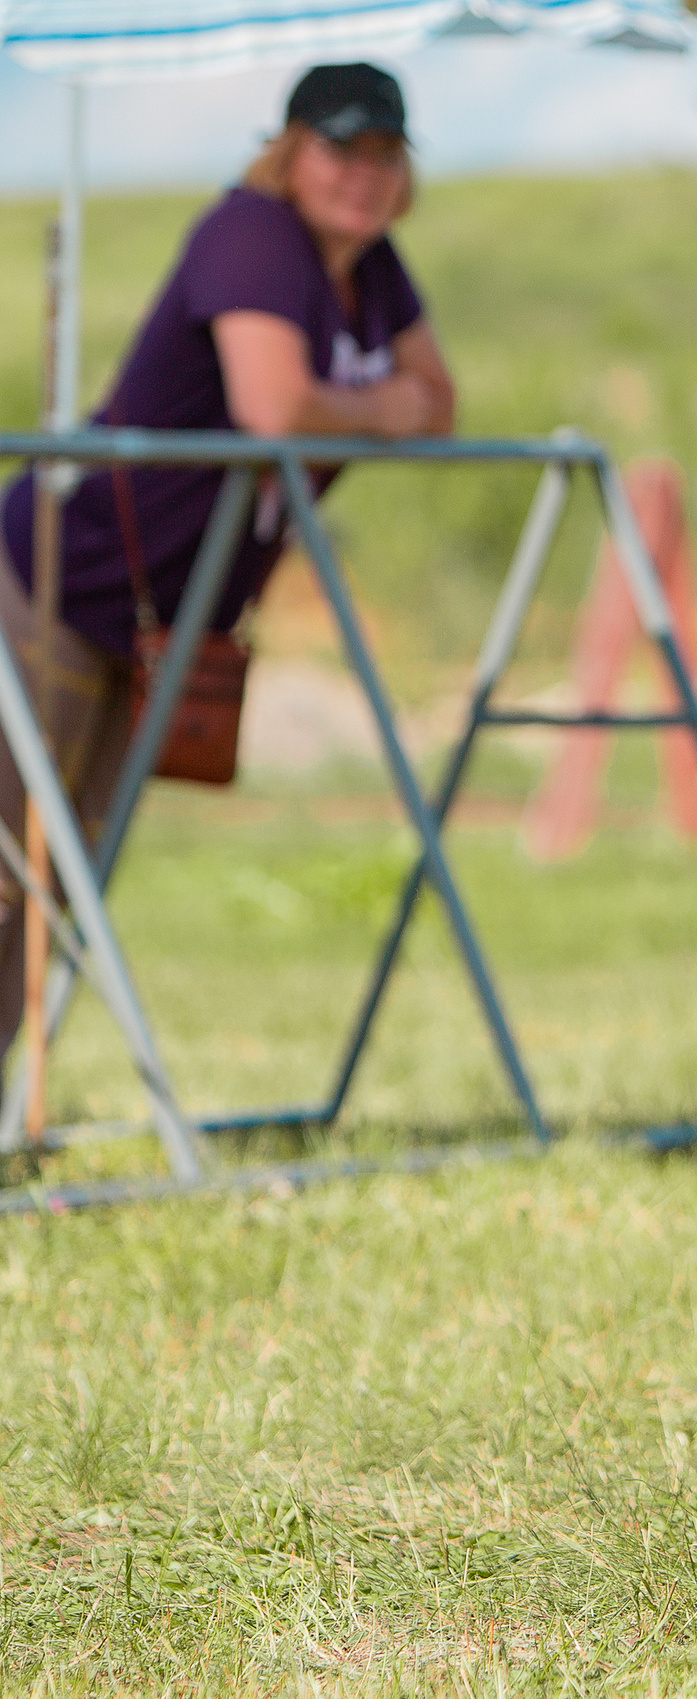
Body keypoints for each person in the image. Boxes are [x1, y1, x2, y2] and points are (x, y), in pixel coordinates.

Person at [0, 61, 453, 1057]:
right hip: (50, 584)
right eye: (342, 148)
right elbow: (273, 405)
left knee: (66, 874)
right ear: (290, 152)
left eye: (385, 152)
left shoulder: (370, 270)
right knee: (10, 861)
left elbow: (442, 402)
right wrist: (377, 410)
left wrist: (354, 409)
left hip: (160, 616)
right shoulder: (251, 235)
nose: (364, 174)